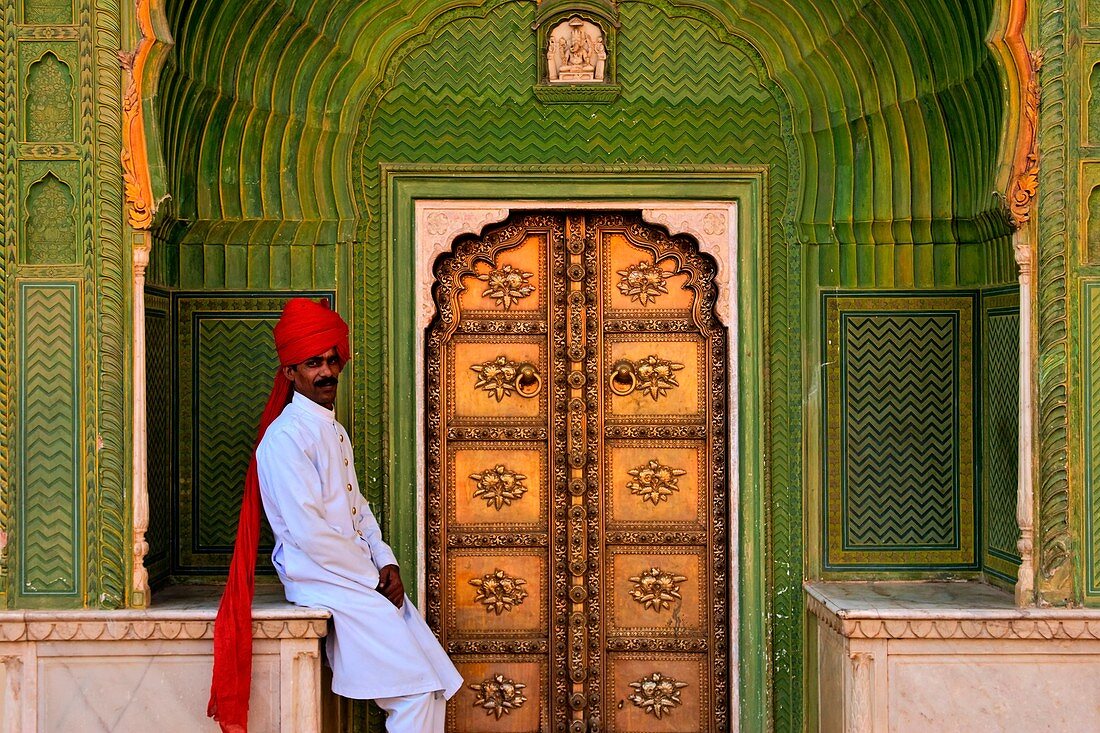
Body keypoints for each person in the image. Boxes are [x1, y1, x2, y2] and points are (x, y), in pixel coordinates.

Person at [208, 298, 462, 733]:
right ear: (290, 372)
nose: (326, 371)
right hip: (325, 579)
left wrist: (387, 561)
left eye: (332, 360)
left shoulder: (332, 429)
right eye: (313, 363)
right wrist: (370, 577)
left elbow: (357, 507)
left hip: (359, 577)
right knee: (417, 692)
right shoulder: (286, 438)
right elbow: (309, 534)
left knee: (432, 687)